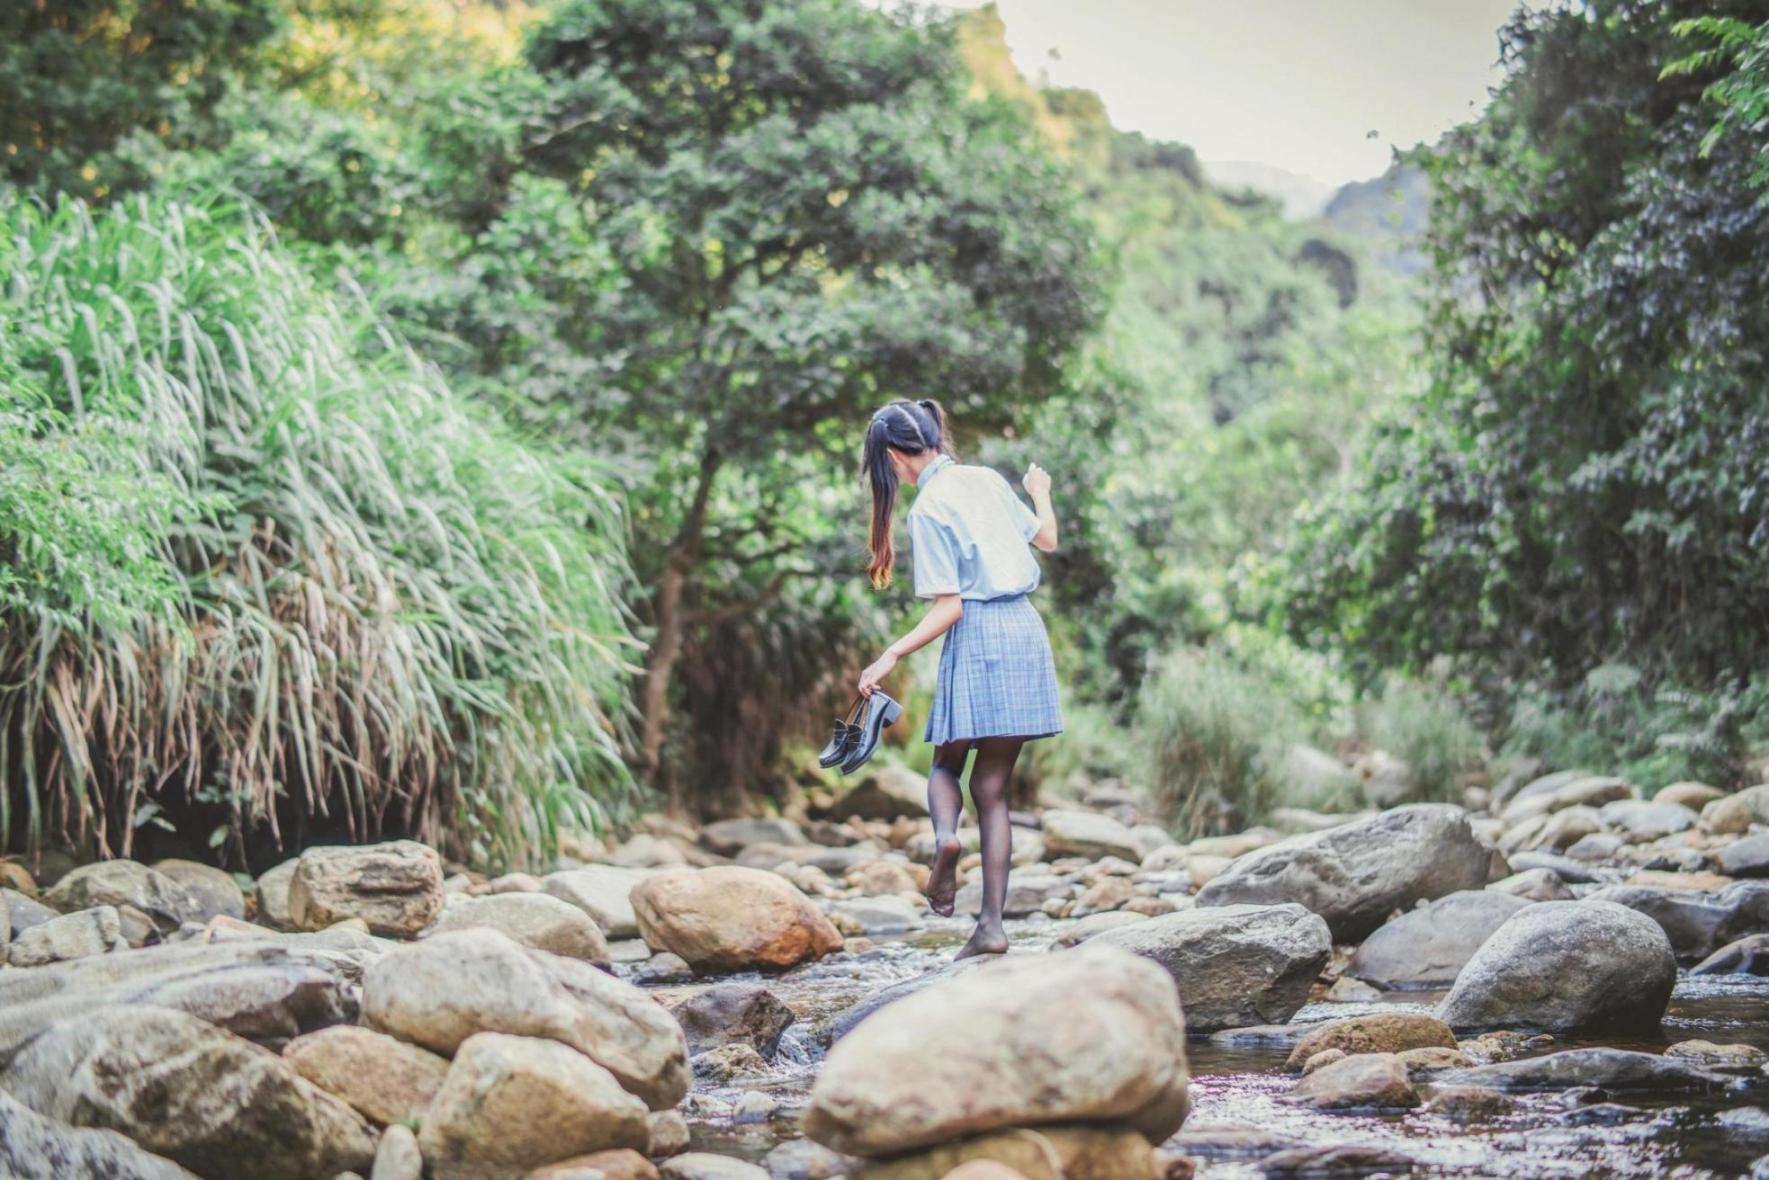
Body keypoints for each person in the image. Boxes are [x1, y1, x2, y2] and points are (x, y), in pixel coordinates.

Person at [855, 397, 1062, 959]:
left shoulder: (928, 510)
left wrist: (889, 655)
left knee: (948, 765)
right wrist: (1040, 491)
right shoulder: (986, 478)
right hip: (1024, 629)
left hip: (977, 640)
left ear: (896, 457)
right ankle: (992, 926)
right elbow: (1047, 541)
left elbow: (951, 609)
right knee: (993, 788)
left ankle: (947, 838)